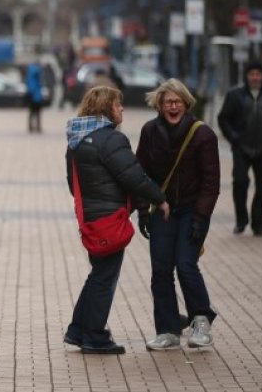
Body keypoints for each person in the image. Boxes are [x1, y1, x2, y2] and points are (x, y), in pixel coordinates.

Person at [64, 85, 168, 354]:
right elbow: (134, 176)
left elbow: (71, 182)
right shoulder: (110, 139)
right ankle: (94, 336)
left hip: (90, 217)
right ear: (106, 107)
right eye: (118, 104)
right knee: (104, 277)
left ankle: (78, 329)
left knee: (98, 273)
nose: (122, 108)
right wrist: (159, 198)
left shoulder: (76, 139)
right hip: (110, 218)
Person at [137, 78, 220, 350]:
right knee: (161, 270)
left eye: (177, 102)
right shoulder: (149, 131)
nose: (173, 107)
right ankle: (168, 330)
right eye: (167, 102)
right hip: (163, 210)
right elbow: (141, 174)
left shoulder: (203, 134)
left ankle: (201, 320)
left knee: (186, 264)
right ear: (159, 105)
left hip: (193, 210)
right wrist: (143, 210)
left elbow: (211, 183)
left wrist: (200, 218)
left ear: (186, 103)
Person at [217, 61, 262, 237]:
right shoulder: (235, 95)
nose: (255, 77)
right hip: (241, 148)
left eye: (258, 74)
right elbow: (223, 118)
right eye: (252, 74)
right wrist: (234, 138)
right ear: (247, 75)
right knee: (240, 182)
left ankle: (259, 223)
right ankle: (241, 220)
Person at [25, 61, 44, 133]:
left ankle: (31, 127)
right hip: (36, 96)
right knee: (37, 112)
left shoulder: (30, 75)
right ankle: (37, 127)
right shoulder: (36, 74)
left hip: (33, 96)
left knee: (32, 113)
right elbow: (35, 87)